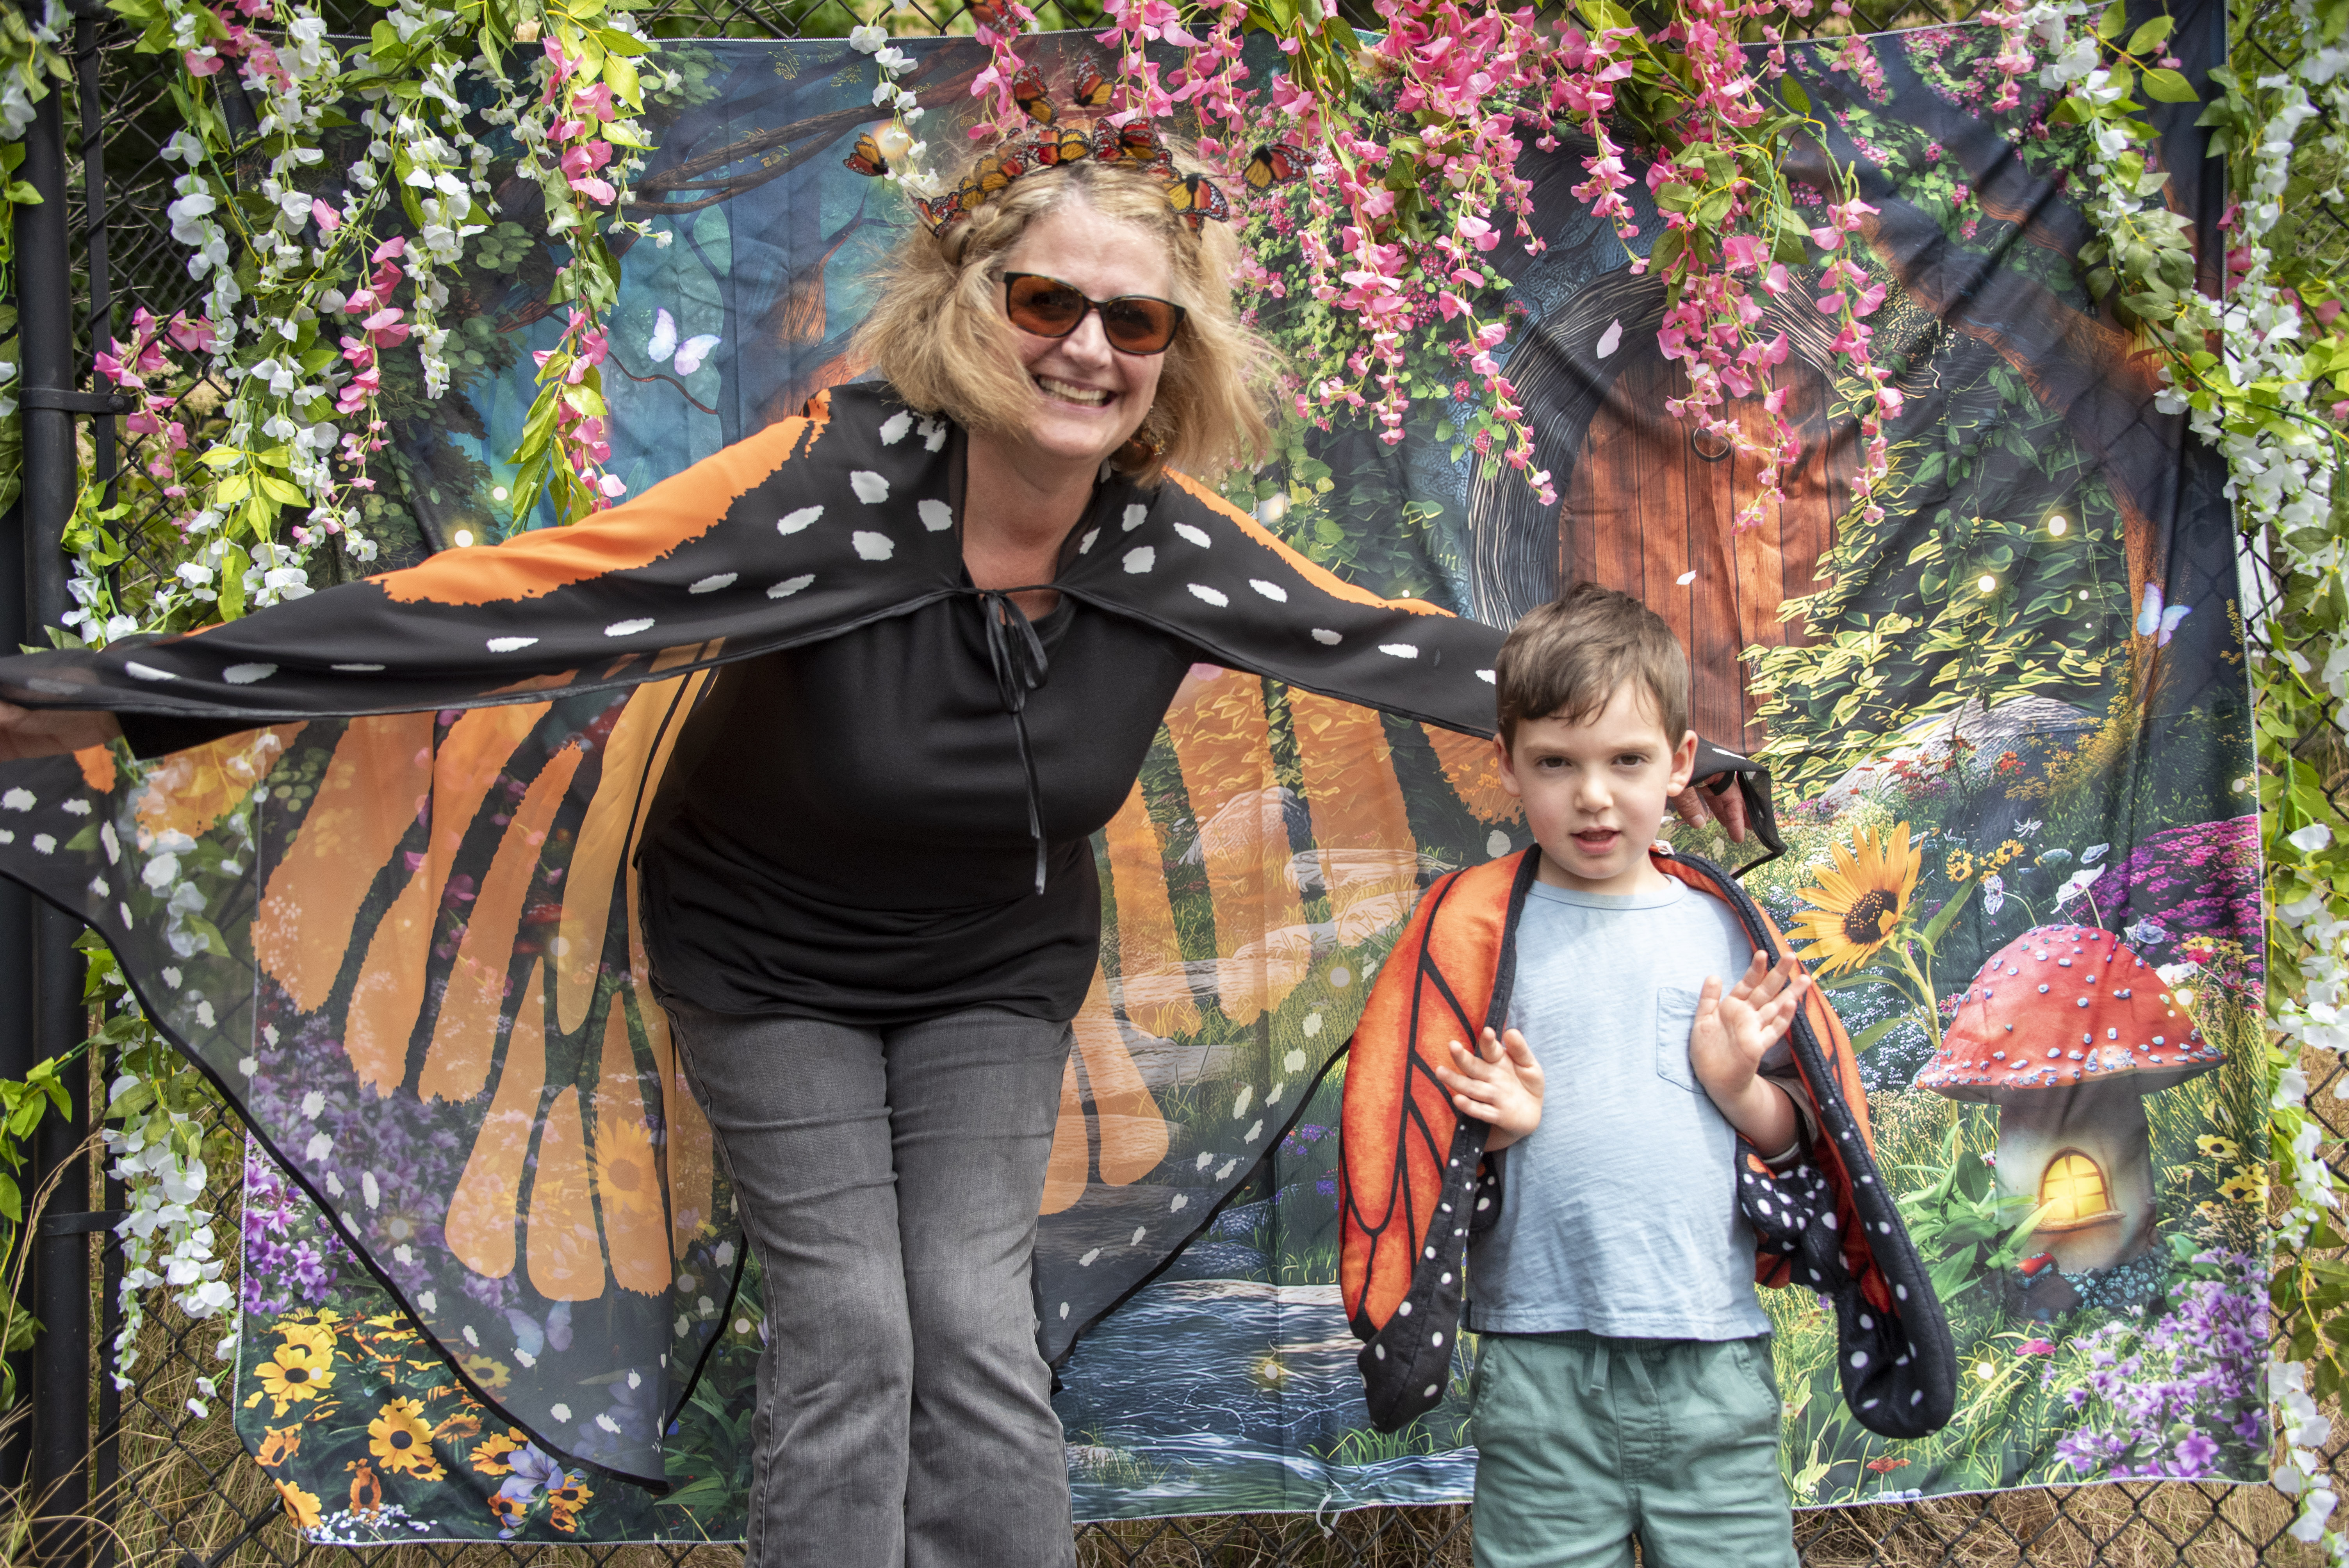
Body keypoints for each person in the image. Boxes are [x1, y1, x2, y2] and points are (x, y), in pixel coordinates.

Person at [0, 134, 1766, 1568]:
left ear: (1173, 355)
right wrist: (124, 698)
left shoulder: (1158, 543)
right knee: (851, 1318)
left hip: (990, 962)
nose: (1085, 345)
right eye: (1045, 299)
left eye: (1131, 320)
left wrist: (1661, 742)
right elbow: (514, 607)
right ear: (964, 310)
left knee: (966, 1313)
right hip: (758, 949)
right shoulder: (822, 494)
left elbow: (1388, 646)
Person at [1337, 584, 1957, 1568]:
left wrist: (1739, 1090)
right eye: (1556, 764)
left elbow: (1803, 1140)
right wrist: (1494, 1128)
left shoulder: (1725, 929)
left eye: (1626, 761)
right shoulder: (1470, 931)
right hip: (1538, 1364)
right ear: (1507, 767)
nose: (1593, 795)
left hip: (1709, 1358)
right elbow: (1415, 1141)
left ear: (1676, 765)